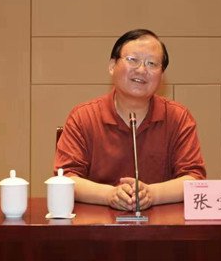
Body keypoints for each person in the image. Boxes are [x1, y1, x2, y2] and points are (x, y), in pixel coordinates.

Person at [54, 29, 207, 211]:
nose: (141, 70)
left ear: (161, 75)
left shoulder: (178, 117)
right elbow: (65, 178)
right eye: (133, 60)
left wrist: (152, 194)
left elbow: (194, 179)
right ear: (112, 66)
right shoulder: (83, 117)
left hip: (162, 225)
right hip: (96, 225)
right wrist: (109, 195)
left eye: (151, 63)